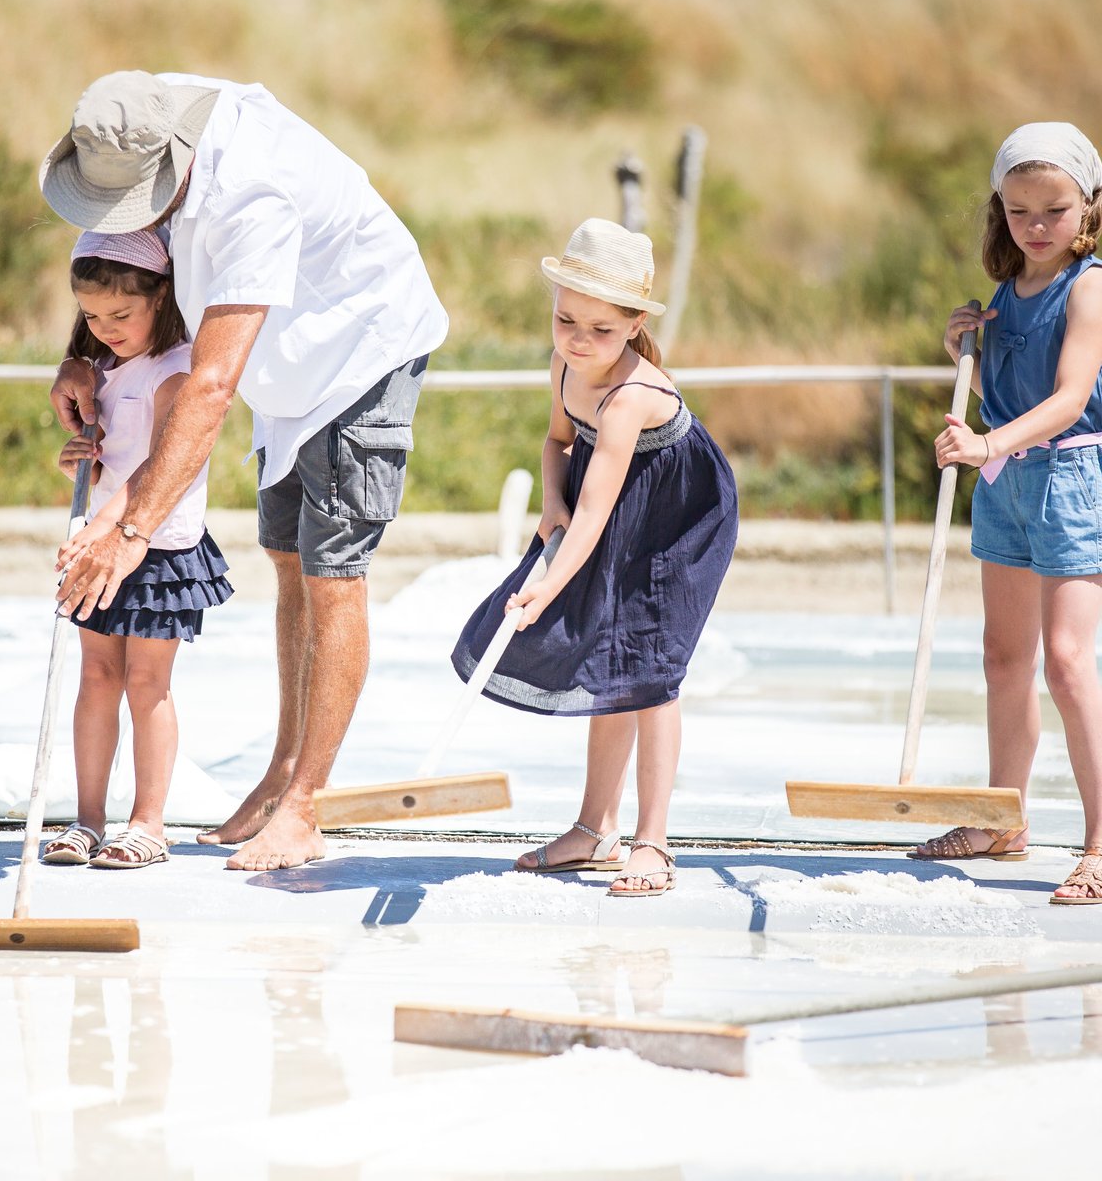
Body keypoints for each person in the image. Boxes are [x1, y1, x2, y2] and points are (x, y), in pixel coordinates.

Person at [39, 71, 448, 871]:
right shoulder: (142, 113)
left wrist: (129, 530)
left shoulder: (248, 193)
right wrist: (80, 355)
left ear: (173, 171)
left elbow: (211, 384)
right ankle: (280, 777)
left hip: (356, 351)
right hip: (285, 366)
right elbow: (121, 272)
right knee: (288, 560)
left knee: (334, 573)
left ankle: (304, 807)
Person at [451, 219, 738, 896]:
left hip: (676, 520)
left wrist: (545, 589)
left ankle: (654, 842)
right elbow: (557, 445)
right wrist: (550, 499)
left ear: (636, 324)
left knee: (652, 672)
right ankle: (594, 829)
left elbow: (598, 511)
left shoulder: (631, 398)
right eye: (566, 320)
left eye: (602, 330)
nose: (579, 340)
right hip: (602, 504)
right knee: (609, 660)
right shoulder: (565, 366)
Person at [910, 122, 1102, 905]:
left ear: (1087, 208)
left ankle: (1099, 841)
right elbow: (1008, 392)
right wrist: (965, 351)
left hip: (1070, 479)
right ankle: (1005, 819)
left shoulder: (1090, 285)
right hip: (1006, 484)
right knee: (1003, 658)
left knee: (1065, 660)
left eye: (1053, 210)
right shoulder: (1003, 292)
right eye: (1020, 210)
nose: (1037, 226)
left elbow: (1067, 400)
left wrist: (987, 446)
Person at [43, 229, 233, 869]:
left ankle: (149, 822)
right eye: (92, 316)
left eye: (121, 315)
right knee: (96, 677)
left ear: (161, 297)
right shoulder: (104, 369)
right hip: (103, 544)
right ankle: (87, 819)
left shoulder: (177, 371)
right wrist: (83, 463)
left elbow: (160, 467)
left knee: (147, 683)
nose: (106, 328)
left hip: (158, 551)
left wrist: (108, 525)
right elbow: (114, 464)